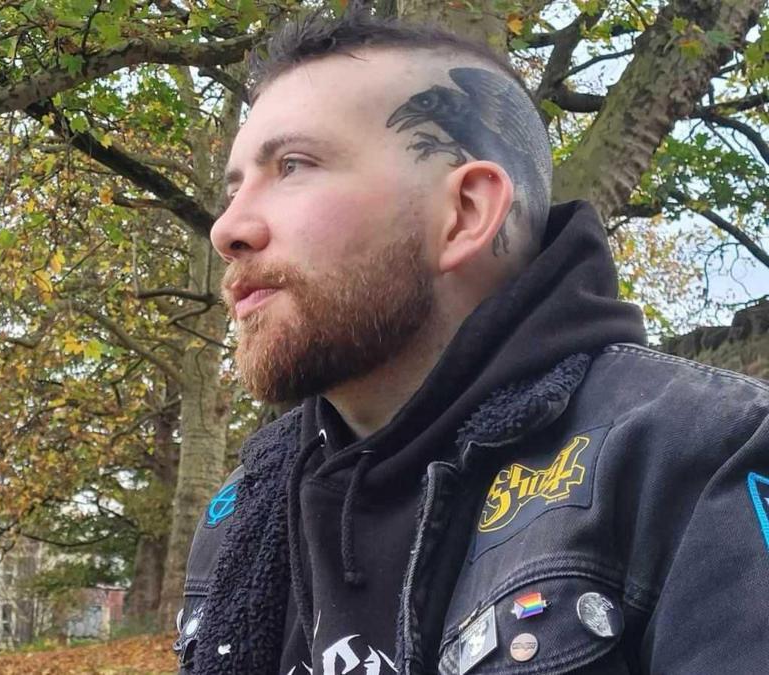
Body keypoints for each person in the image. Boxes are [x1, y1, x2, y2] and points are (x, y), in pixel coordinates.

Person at [173, 7, 769, 675]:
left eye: (293, 164)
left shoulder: (701, 458)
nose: (228, 228)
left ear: (465, 213)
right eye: (234, 188)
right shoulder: (242, 513)